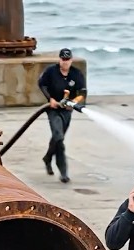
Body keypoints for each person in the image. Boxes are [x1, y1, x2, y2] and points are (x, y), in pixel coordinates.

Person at [37, 48, 87, 184]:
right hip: (53, 109)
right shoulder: (51, 72)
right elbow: (42, 84)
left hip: (67, 110)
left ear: (71, 60)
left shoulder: (76, 74)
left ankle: (47, 158)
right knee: (59, 137)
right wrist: (50, 99)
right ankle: (63, 172)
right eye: (63, 60)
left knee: (58, 137)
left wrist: (74, 102)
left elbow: (82, 92)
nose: (65, 63)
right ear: (59, 60)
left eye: (67, 60)